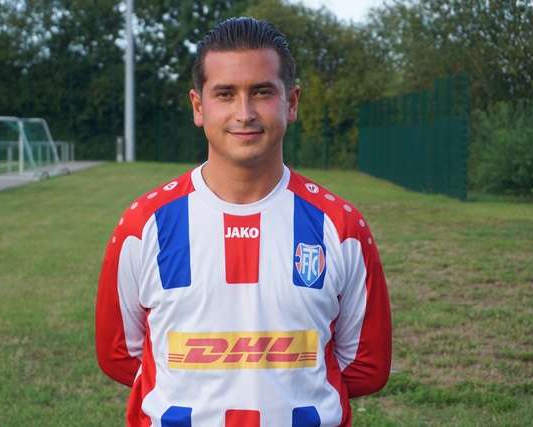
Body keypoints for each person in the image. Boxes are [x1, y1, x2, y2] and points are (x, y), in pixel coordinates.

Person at [96, 17, 392, 427]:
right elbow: (119, 355)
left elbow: (365, 364)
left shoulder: (341, 227)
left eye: (262, 92)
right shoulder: (144, 225)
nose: (245, 113)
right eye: (225, 94)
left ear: (291, 102)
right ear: (198, 107)